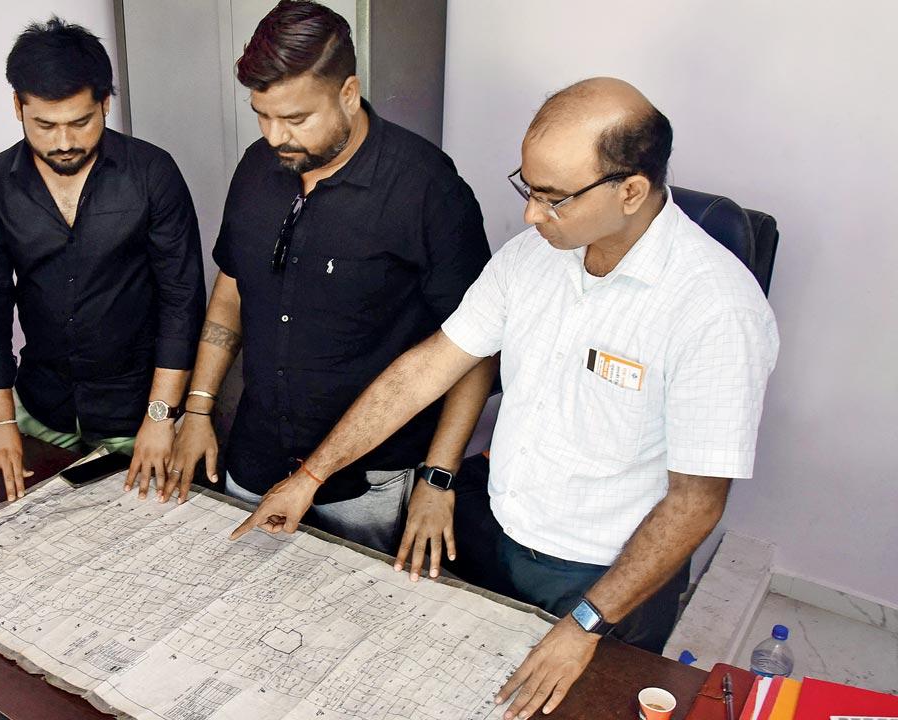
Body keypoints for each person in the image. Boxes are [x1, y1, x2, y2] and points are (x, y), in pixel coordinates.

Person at [231, 77, 779, 719]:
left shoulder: (715, 309)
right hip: (496, 528)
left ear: (630, 191)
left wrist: (583, 625)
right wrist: (312, 476)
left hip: (598, 576)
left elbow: (695, 503)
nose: (528, 215)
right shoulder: (532, 258)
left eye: (553, 198)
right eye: (527, 187)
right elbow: (427, 368)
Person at [169, 0, 495, 557]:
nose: (275, 137)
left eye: (297, 119)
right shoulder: (256, 168)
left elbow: (476, 349)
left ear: (348, 92)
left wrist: (439, 478)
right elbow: (231, 291)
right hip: (257, 455)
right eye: (262, 115)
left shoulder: (426, 189)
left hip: (369, 481)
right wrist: (197, 408)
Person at [0, 18, 206, 502]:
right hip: (41, 409)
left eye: (81, 122)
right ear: (18, 106)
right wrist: (0, 420)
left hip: (139, 412)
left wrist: (161, 418)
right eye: (45, 125)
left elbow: (183, 303)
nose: (63, 142)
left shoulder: (152, 173)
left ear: (105, 103)